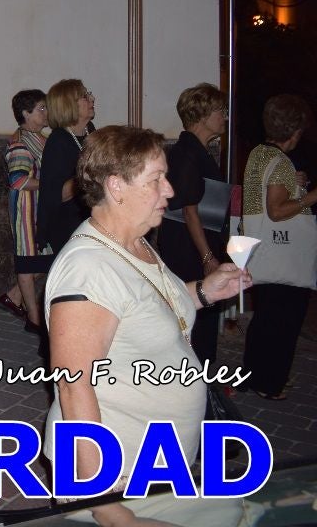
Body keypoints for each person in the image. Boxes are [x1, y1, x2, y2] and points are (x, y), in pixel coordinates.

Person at [43, 126, 249, 519]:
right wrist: (107, 508)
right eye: (156, 180)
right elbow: (73, 388)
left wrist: (204, 291)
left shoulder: (134, 242)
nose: (170, 191)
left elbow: (146, 307)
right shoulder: (87, 269)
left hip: (161, 466)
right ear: (116, 187)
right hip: (119, 479)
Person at [239, 94, 317, 400]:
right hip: (285, 252)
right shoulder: (281, 161)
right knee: (284, 321)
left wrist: (294, 183)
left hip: (263, 249)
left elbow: (265, 194)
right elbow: (277, 210)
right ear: (295, 131)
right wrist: (311, 196)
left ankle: (253, 375)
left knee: (266, 317)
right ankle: (271, 384)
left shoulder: (260, 154)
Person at [156, 83, 230, 366]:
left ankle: (200, 379)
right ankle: (196, 380)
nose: (224, 116)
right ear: (201, 115)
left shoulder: (197, 149)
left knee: (200, 317)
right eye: (219, 111)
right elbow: (190, 211)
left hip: (195, 242)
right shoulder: (187, 152)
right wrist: (208, 257)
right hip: (189, 247)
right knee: (196, 316)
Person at [1, 89, 49, 335]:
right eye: (41, 108)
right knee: (28, 264)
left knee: (48, 259)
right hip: (26, 211)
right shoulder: (20, 142)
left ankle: (12, 296)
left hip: (42, 210)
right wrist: (52, 183)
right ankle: (33, 318)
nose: (46, 112)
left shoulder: (41, 138)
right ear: (25, 114)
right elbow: (18, 181)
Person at [36, 78, 95, 257]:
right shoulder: (58, 141)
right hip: (67, 224)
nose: (92, 99)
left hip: (89, 219)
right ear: (68, 105)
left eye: (89, 94)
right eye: (85, 97)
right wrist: (89, 172)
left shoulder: (90, 131)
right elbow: (57, 195)